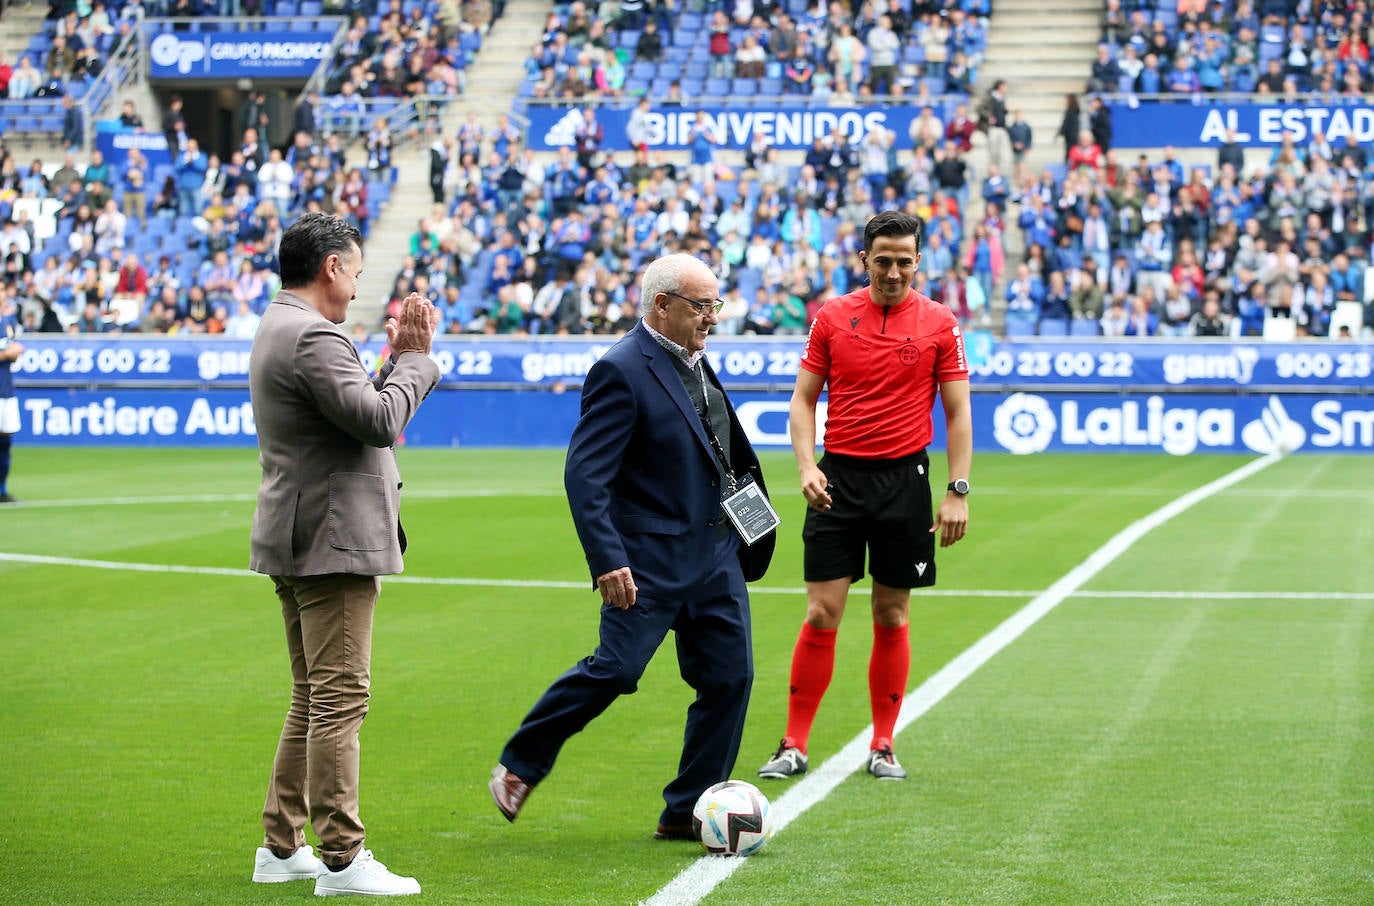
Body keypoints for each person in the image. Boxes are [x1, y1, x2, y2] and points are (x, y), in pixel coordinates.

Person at [489, 253, 777, 840]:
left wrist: (753, 523)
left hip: (716, 553)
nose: (712, 317)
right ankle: (521, 762)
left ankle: (687, 812)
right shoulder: (620, 369)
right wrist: (607, 559)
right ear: (662, 305)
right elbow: (585, 476)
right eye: (701, 306)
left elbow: (720, 454)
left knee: (730, 678)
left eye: (716, 304)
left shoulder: (696, 361)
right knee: (616, 670)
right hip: (646, 563)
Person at [248, 213, 439, 897]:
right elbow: (381, 421)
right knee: (339, 700)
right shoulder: (312, 335)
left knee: (312, 697)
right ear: (331, 267)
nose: (358, 287)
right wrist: (417, 363)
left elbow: (353, 411)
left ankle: (281, 844)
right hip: (331, 540)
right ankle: (340, 856)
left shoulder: (282, 326)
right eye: (355, 271)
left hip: (302, 531)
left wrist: (390, 367)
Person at [757, 210, 971, 783]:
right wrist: (805, 466)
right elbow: (803, 401)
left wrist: (957, 491)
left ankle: (883, 744)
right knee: (822, 612)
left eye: (905, 261)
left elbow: (957, 412)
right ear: (864, 260)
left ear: (918, 262)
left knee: (891, 611)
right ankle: (793, 743)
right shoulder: (832, 316)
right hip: (838, 481)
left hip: (905, 483)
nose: (894, 272)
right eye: (884, 261)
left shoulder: (940, 322)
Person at [0, 295, 23, 504]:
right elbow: (10, 352)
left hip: (6, 388)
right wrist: (7, 353)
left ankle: (2, 490)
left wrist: (10, 353)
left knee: (6, 441)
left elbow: (16, 350)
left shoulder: (7, 322)